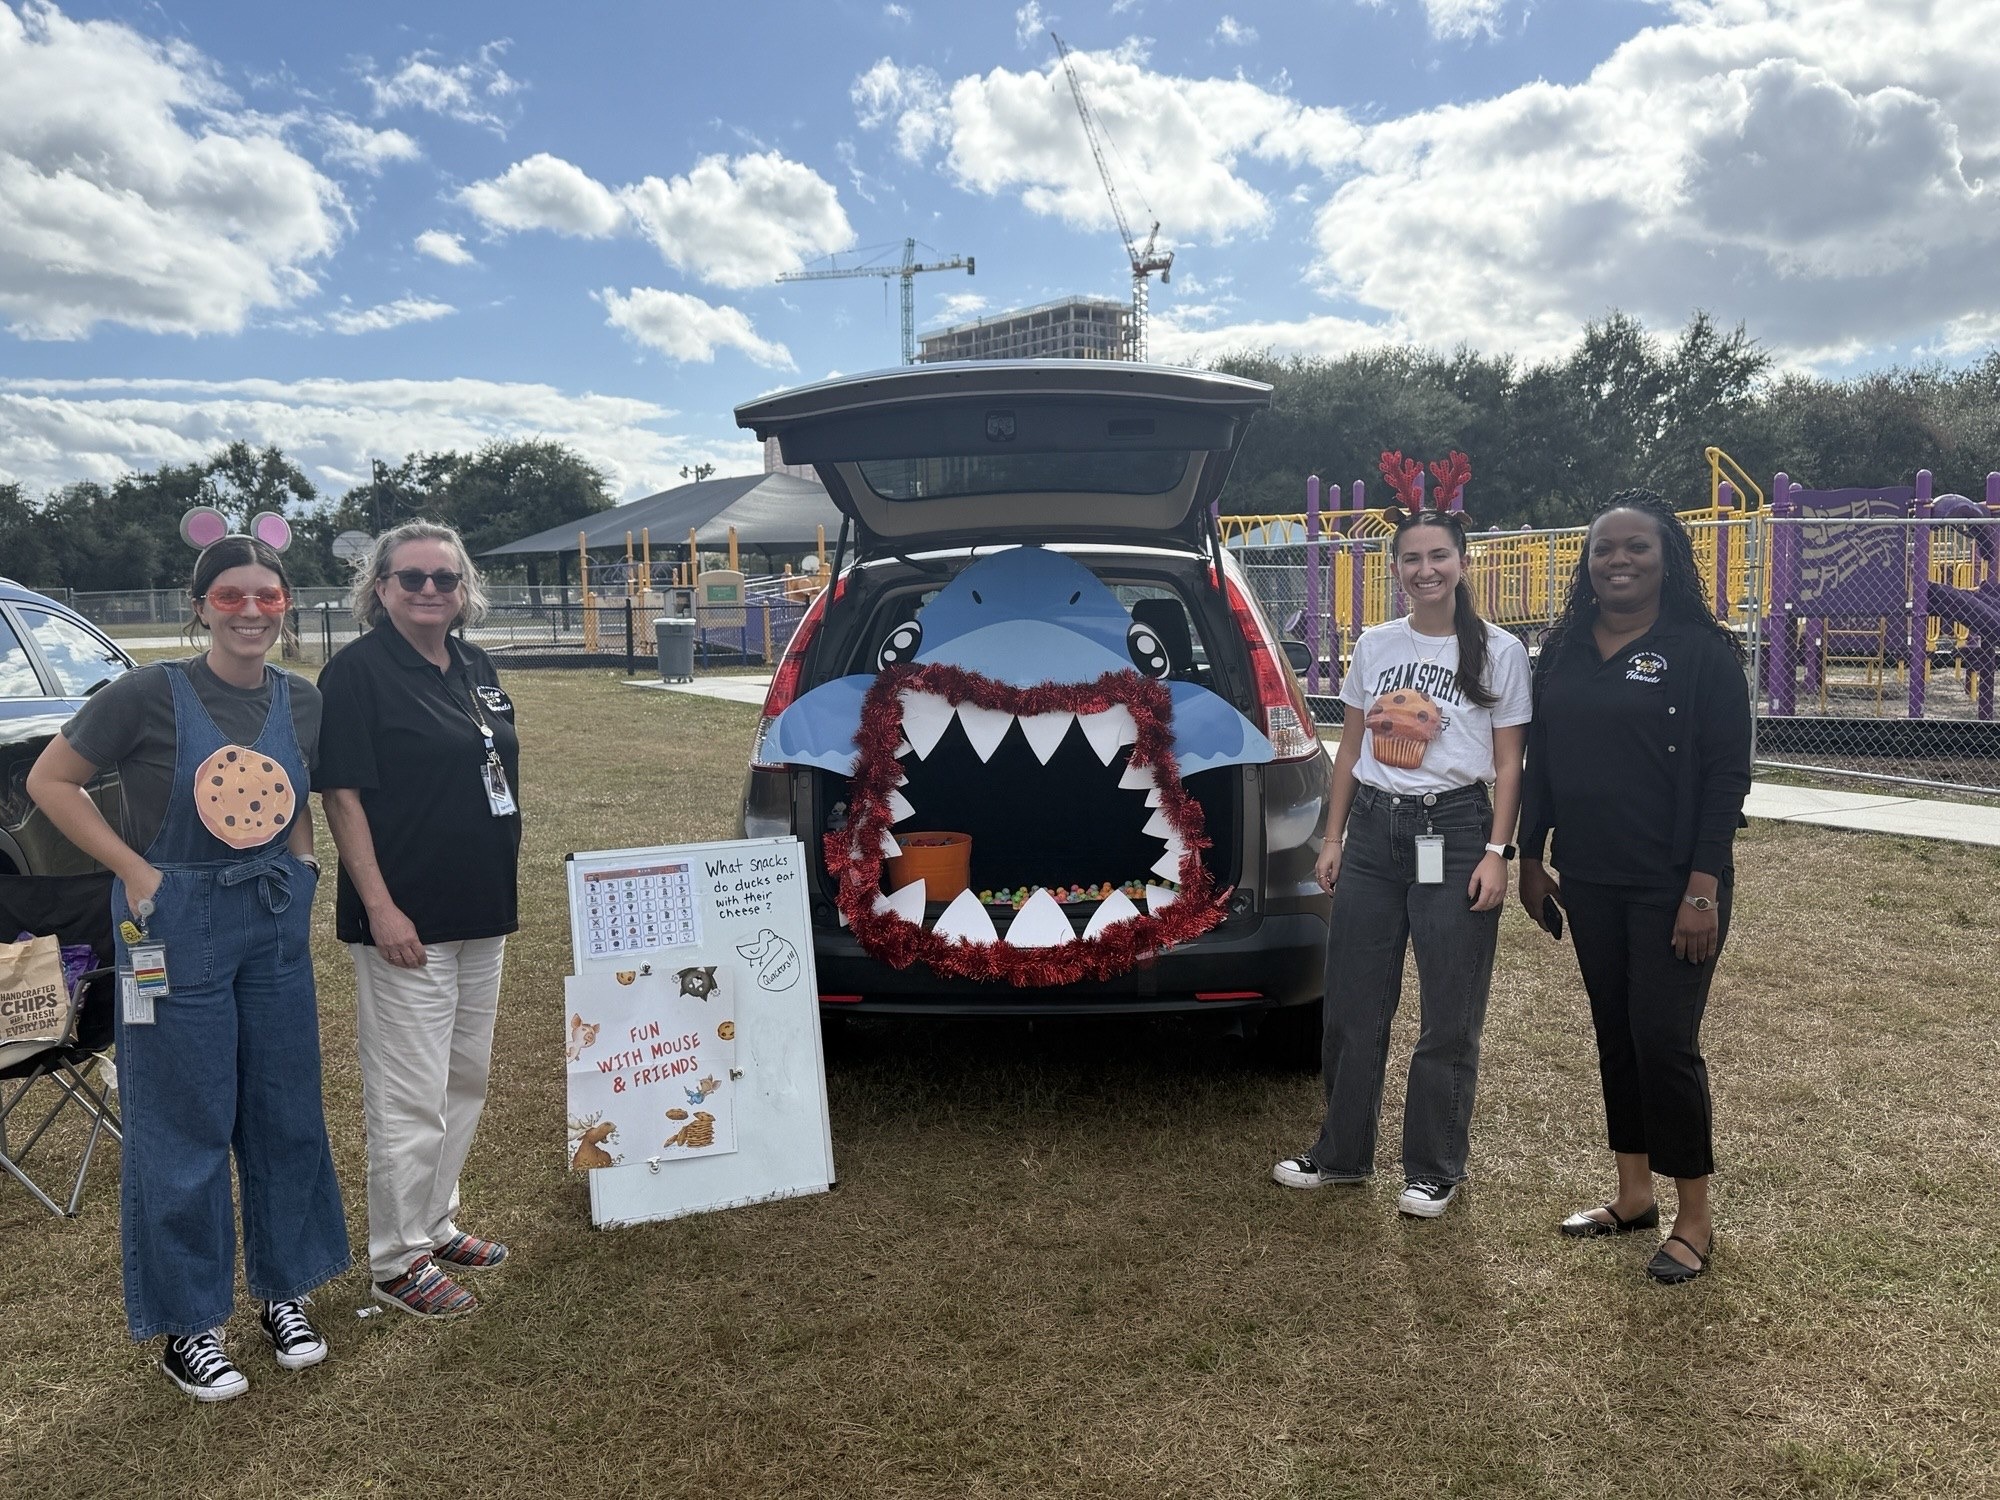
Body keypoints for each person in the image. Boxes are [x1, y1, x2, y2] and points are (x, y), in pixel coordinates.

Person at [26, 535, 347, 1401]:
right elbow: (51, 784)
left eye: (268, 598)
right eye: (231, 596)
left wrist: (306, 865)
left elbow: (297, 799)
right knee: (183, 1119)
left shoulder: (303, 701)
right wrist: (135, 871)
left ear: (285, 606)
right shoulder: (146, 694)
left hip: (273, 921)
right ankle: (190, 1323)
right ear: (198, 605)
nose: (251, 612)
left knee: (285, 1108)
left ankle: (286, 1290)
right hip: (168, 927)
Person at [1517, 489, 1752, 1285]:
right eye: (1604, 549)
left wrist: (1703, 888)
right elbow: (1539, 762)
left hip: (1674, 886)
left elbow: (1726, 779)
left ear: (1666, 559)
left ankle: (1694, 1219)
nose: (1618, 560)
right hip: (1589, 878)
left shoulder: (1702, 651)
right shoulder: (1564, 649)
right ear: (1588, 564)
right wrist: (1530, 855)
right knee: (1615, 1033)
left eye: (1636, 548)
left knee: (1664, 1042)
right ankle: (1631, 1195)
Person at [1273, 507, 1533, 1217]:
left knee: (1448, 1009)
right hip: (1375, 836)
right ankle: (1343, 1154)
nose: (1426, 570)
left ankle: (1434, 1167)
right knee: (1355, 1002)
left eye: (1439, 556)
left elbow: (1509, 764)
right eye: (1412, 559)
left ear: (1464, 563)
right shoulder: (1376, 645)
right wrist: (1332, 839)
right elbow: (1350, 751)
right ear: (1396, 570)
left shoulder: (1499, 652)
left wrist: (1495, 853)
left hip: (1451, 834)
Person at [317, 521, 520, 1318]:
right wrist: (380, 906)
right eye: (412, 579)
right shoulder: (357, 674)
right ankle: (397, 1261)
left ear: (463, 588)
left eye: (445, 579)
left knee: (463, 1077)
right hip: (406, 922)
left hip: (482, 911)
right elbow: (343, 797)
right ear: (380, 589)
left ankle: (435, 1222)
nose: (430, 591)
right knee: (409, 1092)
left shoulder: (474, 662)